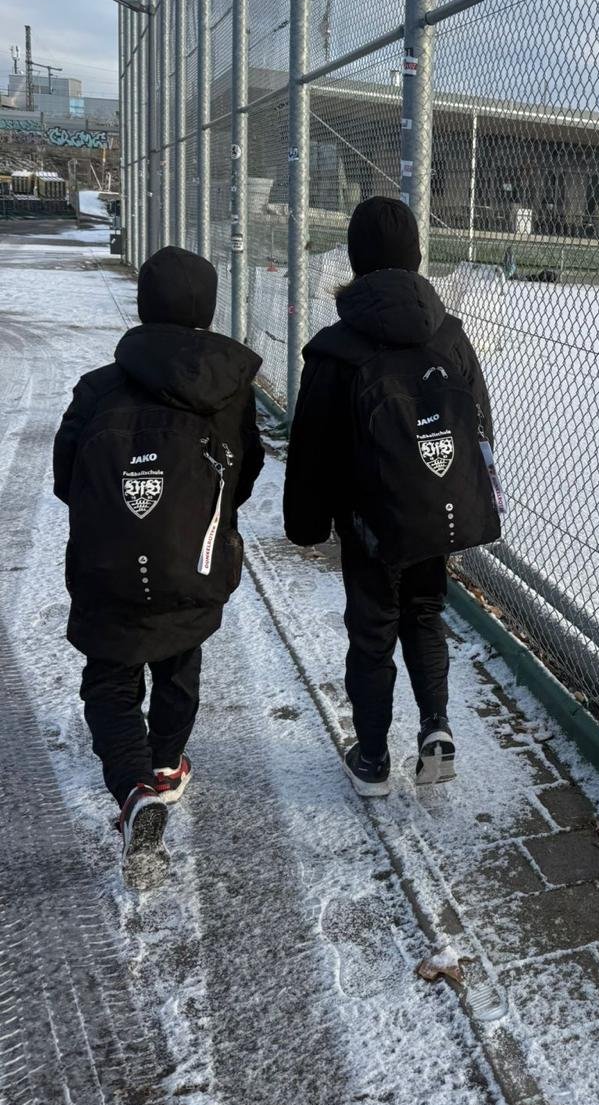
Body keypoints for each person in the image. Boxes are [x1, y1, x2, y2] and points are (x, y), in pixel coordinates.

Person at [53, 247, 264, 880]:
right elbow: (244, 474)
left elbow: (68, 477)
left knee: (110, 678)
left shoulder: (96, 388)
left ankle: (132, 786)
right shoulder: (224, 393)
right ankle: (167, 764)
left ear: (144, 306)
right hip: (190, 560)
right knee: (179, 656)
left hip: (108, 565)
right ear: (207, 310)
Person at [283, 196, 499, 797]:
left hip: (368, 521)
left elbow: (312, 447)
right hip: (434, 511)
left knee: (372, 630)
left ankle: (373, 758)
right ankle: (436, 728)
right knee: (425, 613)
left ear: (355, 260)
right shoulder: (450, 336)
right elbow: (477, 421)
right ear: (416, 257)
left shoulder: (337, 349)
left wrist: (305, 522)